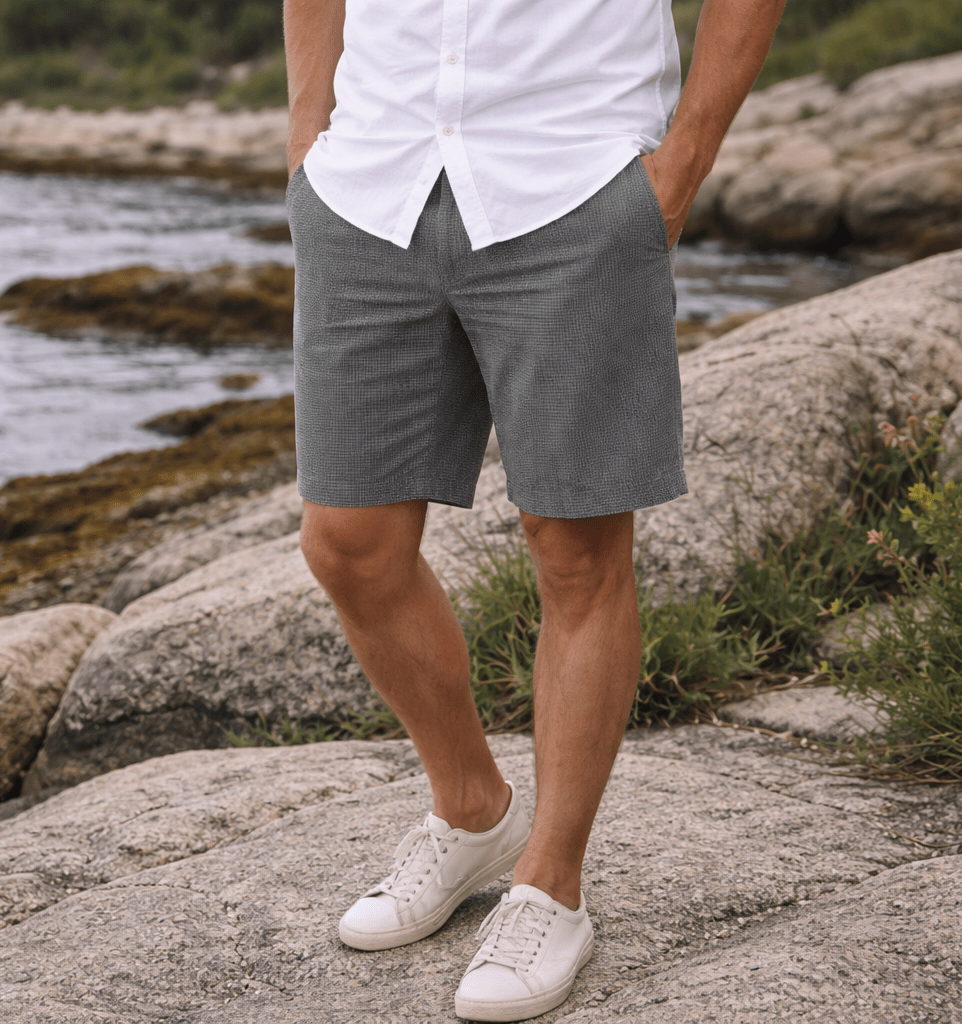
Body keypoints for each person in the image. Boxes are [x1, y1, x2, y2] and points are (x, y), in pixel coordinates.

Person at [283, 0, 786, 1018]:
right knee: (348, 547)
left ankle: (549, 882)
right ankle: (472, 810)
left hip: (571, 177)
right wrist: (309, 138)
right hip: (371, 179)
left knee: (575, 551)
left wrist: (679, 165)